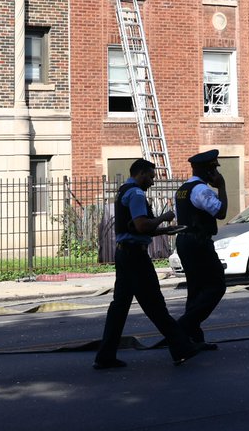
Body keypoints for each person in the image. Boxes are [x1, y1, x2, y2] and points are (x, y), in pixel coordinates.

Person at [93, 158, 199, 369]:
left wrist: (164, 231)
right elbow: (142, 226)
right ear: (140, 173)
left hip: (124, 255)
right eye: (150, 177)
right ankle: (181, 348)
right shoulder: (137, 194)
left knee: (119, 307)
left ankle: (105, 356)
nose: (152, 182)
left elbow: (134, 227)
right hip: (136, 258)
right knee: (155, 305)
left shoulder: (123, 190)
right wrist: (164, 218)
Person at [174, 149, 228, 350]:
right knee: (216, 286)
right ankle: (181, 329)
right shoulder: (200, 190)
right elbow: (221, 212)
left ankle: (193, 339)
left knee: (196, 290)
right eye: (213, 168)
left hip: (185, 241)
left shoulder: (183, 189)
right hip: (198, 243)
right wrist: (221, 186)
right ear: (206, 169)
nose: (215, 172)